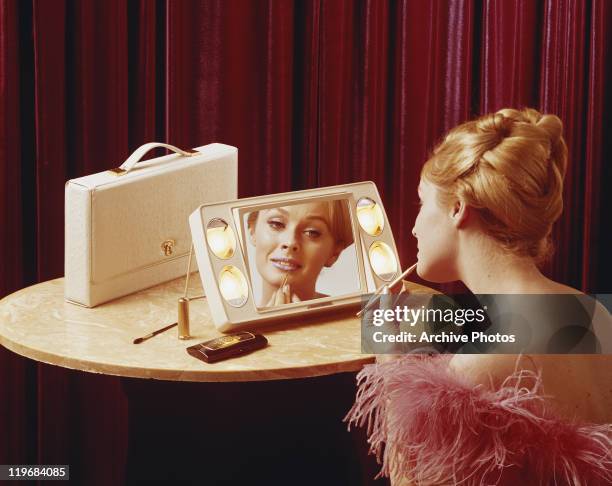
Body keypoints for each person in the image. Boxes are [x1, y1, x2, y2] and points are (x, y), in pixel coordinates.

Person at [346, 108, 612, 485]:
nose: (414, 226)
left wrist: (390, 358)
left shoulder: (480, 368)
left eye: (422, 204)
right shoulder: (594, 312)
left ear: (457, 209)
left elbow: (409, 479)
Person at [247, 200, 354, 307]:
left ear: (335, 253)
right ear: (252, 231)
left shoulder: (357, 317)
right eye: (276, 224)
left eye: (312, 232)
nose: (290, 242)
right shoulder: (231, 318)